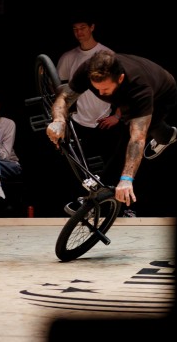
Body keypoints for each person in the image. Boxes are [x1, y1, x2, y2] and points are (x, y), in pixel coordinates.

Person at [46, 50, 177, 210]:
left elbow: (137, 139)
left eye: (105, 89)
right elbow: (64, 97)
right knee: (129, 124)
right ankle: (167, 134)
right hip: (127, 93)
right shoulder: (88, 69)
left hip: (162, 94)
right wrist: (59, 120)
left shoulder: (139, 89)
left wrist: (127, 179)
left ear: (120, 78)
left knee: (130, 136)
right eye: (96, 89)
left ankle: (168, 136)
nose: (101, 94)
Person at [54, 12, 135, 217]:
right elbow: (62, 90)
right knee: (82, 168)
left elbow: (124, 87)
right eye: (75, 29)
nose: (79, 32)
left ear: (92, 27)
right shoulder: (68, 58)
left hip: (105, 120)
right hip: (80, 121)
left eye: (82, 27)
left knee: (114, 165)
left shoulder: (106, 54)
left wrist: (117, 115)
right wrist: (63, 117)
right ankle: (86, 208)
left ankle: (121, 208)